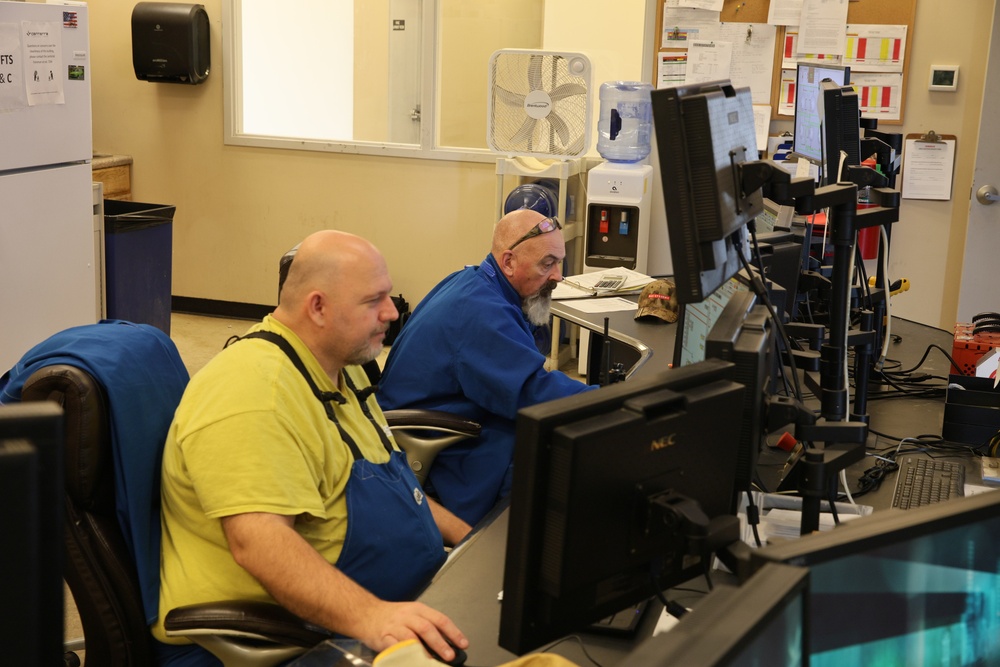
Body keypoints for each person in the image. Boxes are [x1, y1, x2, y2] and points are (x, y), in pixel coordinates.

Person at [153, 230, 471, 665]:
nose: (391, 313)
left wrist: (469, 540)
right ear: (318, 307)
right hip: (287, 637)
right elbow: (260, 545)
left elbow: (392, 482)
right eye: (372, 300)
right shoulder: (254, 394)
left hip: (388, 604)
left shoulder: (341, 362)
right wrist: (373, 617)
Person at [378, 209, 597, 527]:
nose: (558, 276)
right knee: (557, 449)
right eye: (547, 263)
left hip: (450, 412)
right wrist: (609, 398)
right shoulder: (479, 312)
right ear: (508, 261)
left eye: (559, 262)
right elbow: (532, 391)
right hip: (443, 446)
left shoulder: (475, 282)